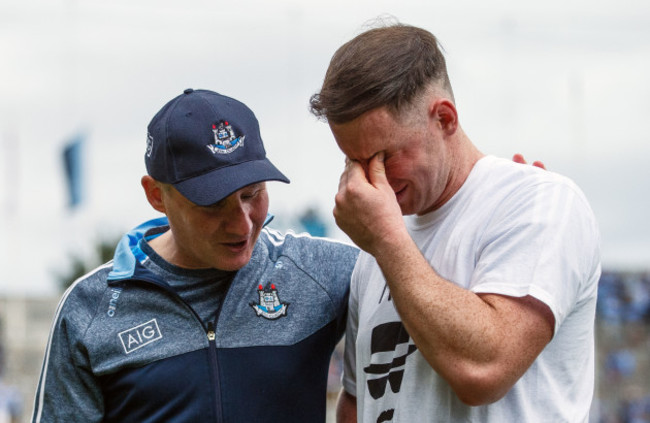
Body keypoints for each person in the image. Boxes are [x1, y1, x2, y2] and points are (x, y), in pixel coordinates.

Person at [309, 22, 601, 422]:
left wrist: (387, 240)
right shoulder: (376, 246)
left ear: (444, 119)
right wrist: (384, 240)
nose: (366, 183)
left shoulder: (540, 203)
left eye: (382, 157)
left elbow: (484, 371)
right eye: (352, 161)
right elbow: (359, 405)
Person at [32, 88, 359, 422]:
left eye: (252, 193)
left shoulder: (325, 271)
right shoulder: (88, 308)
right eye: (214, 203)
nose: (241, 225)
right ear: (156, 194)